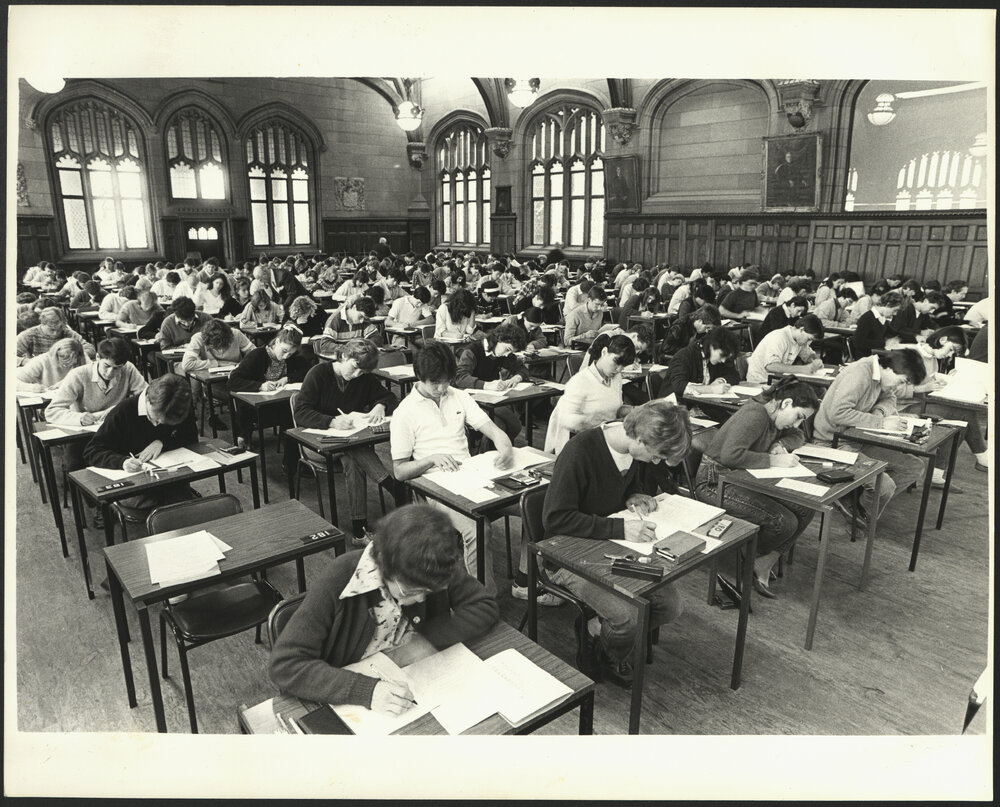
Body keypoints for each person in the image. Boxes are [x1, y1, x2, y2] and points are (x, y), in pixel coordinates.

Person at [267, 504, 499, 715]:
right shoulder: (340, 577)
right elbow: (286, 665)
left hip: (420, 685)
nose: (420, 598)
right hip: (350, 700)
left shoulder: (433, 564)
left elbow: (484, 604)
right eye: (410, 591)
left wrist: (428, 640)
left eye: (428, 592)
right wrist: (368, 692)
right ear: (384, 567)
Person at [542, 401, 691, 682]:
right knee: (627, 616)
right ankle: (605, 647)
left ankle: (597, 630)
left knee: (670, 606)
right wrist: (620, 528)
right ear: (639, 438)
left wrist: (633, 495)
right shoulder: (580, 451)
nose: (656, 463)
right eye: (656, 456)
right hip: (566, 555)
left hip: (609, 547)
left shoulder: (632, 452)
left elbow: (619, 485)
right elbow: (555, 519)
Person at [389, 340, 517, 595]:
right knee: (479, 530)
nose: (441, 388)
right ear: (420, 378)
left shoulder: (458, 396)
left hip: (471, 476)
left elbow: (492, 429)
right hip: (436, 487)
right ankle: (483, 602)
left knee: (534, 506)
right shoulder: (404, 412)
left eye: (446, 381)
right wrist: (431, 459)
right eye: (434, 383)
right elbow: (400, 471)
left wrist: (505, 446)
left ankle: (524, 580)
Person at [695, 377, 819, 598]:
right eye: (799, 417)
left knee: (806, 508)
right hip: (715, 480)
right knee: (784, 521)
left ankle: (763, 562)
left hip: (743, 478)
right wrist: (774, 461)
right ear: (786, 403)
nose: (798, 424)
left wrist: (781, 444)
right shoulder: (756, 415)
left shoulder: (776, 416)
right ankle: (741, 560)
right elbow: (730, 455)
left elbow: (799, 435)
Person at [293, 339, 403, 543]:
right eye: (354, 368)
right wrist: (331, 421)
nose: (356, 375)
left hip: (348, 444)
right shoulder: (318, 374)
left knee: (352, 457)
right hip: (317, 443)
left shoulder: (363, 377)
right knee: (353, 451)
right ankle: (394, 488)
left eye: (362, 372)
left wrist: (380, 405)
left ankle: (359, 531)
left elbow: (389, 397)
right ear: (344, 356)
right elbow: (300, 413)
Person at [812, 350, 929, 529]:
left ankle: (858, 506)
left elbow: (890, 398)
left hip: (858, 438)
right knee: (885, 487)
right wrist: (880, 423)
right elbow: (838, 413)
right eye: (902, 381)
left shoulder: (881, 375)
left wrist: (879, 412)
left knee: (914, 466)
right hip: (832, 442)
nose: (900, 386)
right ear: (890, 368)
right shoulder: (859, 373)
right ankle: (855, 506)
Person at [82, 373, 200, 512]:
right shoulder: (123, 411)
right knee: (164, 505)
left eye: (165, 423)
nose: (157, 425)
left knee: (183, 506)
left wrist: (162, 442)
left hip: (168, 477)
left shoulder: (179, 406)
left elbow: (191, 437)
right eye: (154, 418)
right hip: (132, 480)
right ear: (148, 400)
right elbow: (92, 451)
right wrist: (122, 461)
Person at [544, 333, 634, 455]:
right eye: (616, 362)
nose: (618, 369)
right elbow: (565, 419)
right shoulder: (580, 381)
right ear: (604, 352)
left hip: (605, 437)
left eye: (623, 366)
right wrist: (589, 420)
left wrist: (633, 410)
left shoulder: (616, 378)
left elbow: (615, 408)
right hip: (581, 443)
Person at [454, 323, 530, 447]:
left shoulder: (503, 353)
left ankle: (499, 451)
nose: (507, 354)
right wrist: (487, 385)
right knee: (499, 426)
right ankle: (489, 456)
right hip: (471, 400)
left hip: (491, 400)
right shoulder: (472, 350)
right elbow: (460, 378)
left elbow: (522, 369)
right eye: (508, 349)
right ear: (499, 339)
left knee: (515, 425)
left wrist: (517, 377)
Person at [181, 319, 254, 430]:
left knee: (247, 395)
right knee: (237, 397)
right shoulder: (198, 338)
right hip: (213, 384)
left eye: (223, 346)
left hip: (236, 378)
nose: (220, 350)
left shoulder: (236, 334)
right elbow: (186, 364)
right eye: (215, 347)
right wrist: (217, 363)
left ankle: (246, 428)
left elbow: (255, 354)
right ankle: (243, 432)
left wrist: (243, 365)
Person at [666, 325, 742, 401]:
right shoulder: (684, 356)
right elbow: (679, 386)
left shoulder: (720, 357)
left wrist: (720, 381)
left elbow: (734, 375)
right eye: (722, 355)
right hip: (675, 406)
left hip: (702, 404)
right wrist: (711, 389)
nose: (723, 361)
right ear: (712, 346)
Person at [746, 314, 825, 384]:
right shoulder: (779, 337)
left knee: (819, 390)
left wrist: (816, 360)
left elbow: (808, 355)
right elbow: (770, 366)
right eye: (809, 339)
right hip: (761, 381)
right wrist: (803, 369)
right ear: (801, 329)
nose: (809, 342)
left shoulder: (799, 340)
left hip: (778, 380)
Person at [16, 307, 95, 365]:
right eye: (52, 329)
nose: (56, 333)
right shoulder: (29, 335)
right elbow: (8, 355)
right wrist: (26, 361)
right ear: (42, 324)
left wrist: (74, 356)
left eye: (60, 328)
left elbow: (90, 348)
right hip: (39, 371)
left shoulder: (67, 333)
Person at [16, 337, 90, 394]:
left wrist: (66, 383)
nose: (68, 361)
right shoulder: (41, 361)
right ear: (55, 354)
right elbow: (12, 382)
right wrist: (33, 388)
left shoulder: (84, 359)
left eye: (73, 358)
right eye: (62, 356)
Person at [850, 291, 903, 358]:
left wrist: (915, 336)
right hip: (865, 358)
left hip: (876, 354)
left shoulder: (882, 318)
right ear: (887, 305)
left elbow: (894, 333)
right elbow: (859, 342)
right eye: (895, 310)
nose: (895, 314)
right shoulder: (867, 318)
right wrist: (885, 343)